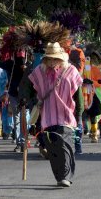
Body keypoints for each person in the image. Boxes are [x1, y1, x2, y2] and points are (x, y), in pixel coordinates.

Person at [28, 42, 83, 187]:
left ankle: (65, 175)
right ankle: (59, 177)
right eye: (50, 59)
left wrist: (80, 113)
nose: (52, 62)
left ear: (61, 59)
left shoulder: (71, 71)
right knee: (53, 149)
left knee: (65, 146)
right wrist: (28, 100)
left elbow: (78, 95)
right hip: (47, 116)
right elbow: (30, 88)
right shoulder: (39, 72)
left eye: (55, 59)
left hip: (66, 115)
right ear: (46, 59)